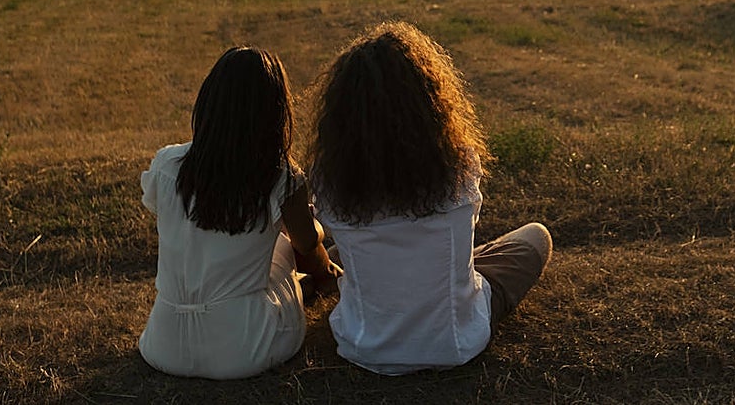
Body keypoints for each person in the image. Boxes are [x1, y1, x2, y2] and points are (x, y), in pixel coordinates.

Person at [308, 21, 552, 375]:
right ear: (430, 101)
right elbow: (469, 223)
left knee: (338, 252)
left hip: (363, 345)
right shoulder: (461, 163)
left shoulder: (327, 178)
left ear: (340, 113)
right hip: (457, 340)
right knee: (535, 236)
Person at [138, 46, 342, 379]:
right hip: (244, 351)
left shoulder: (166, 165)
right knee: (282, 244)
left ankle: (296, 288)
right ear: (274, 113)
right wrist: (326, 266)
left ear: (208, 104)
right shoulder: (281, 177)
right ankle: (316, 286)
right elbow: (306, 245)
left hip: (163, 345)